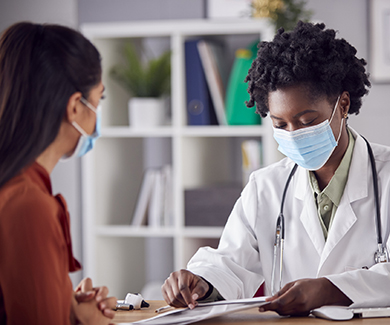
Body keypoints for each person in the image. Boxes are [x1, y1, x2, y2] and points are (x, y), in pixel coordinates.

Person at [161, 21, 390, 316]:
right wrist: (202, 283)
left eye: (307, 121)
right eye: (280, 125)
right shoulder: (266, 186)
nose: (294, 133)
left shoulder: (385, 177)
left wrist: (327, 289)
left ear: (343, 105)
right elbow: (231, 261)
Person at [0, 22, 116, 324]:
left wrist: (68, 308)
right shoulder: (29, 207)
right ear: (74, 108)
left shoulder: (20, 188)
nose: (98, 115)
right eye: (98, 99)